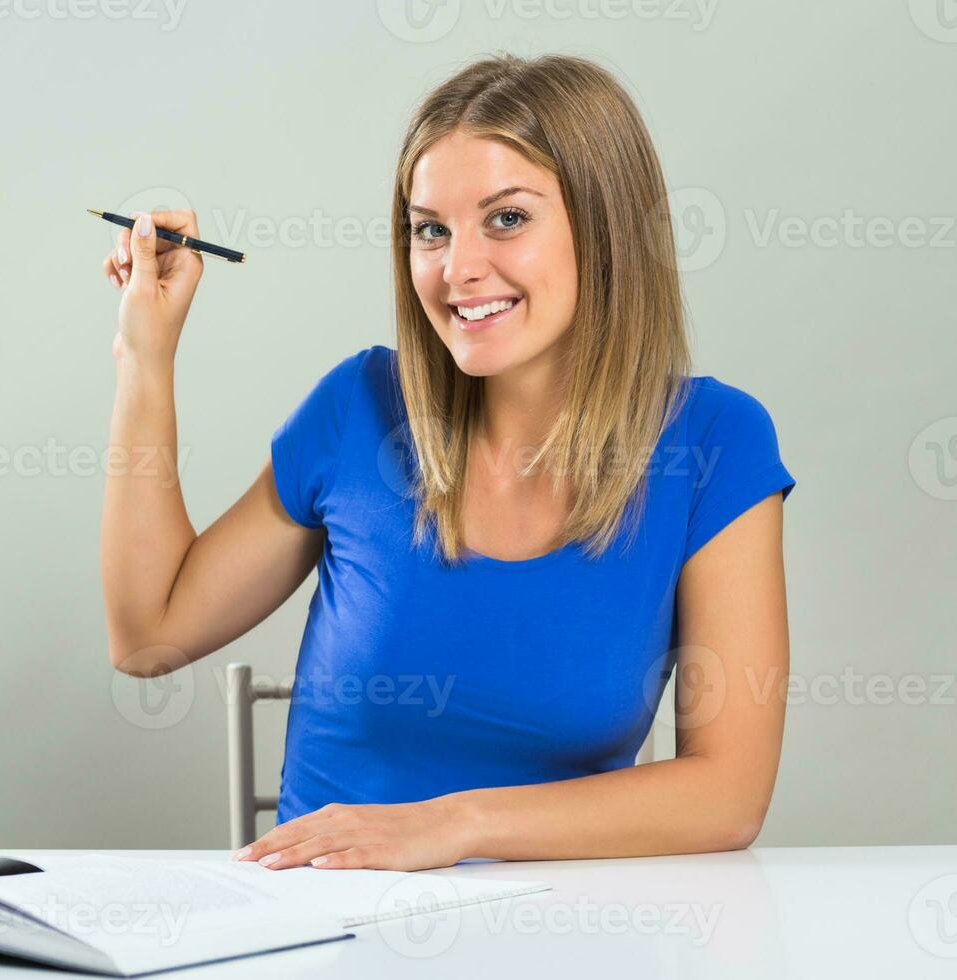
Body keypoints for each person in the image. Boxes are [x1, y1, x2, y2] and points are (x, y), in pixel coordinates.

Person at [98, 53, 795, 872]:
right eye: (431, 228)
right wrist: (144, 355)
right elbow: (149, 637)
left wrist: (450, 825)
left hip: (574, 933)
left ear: (606, 227)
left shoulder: (715, 441)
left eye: (505, 219)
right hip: (327, 930)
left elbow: (727, 794)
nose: (456, 270)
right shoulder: (357, 408)